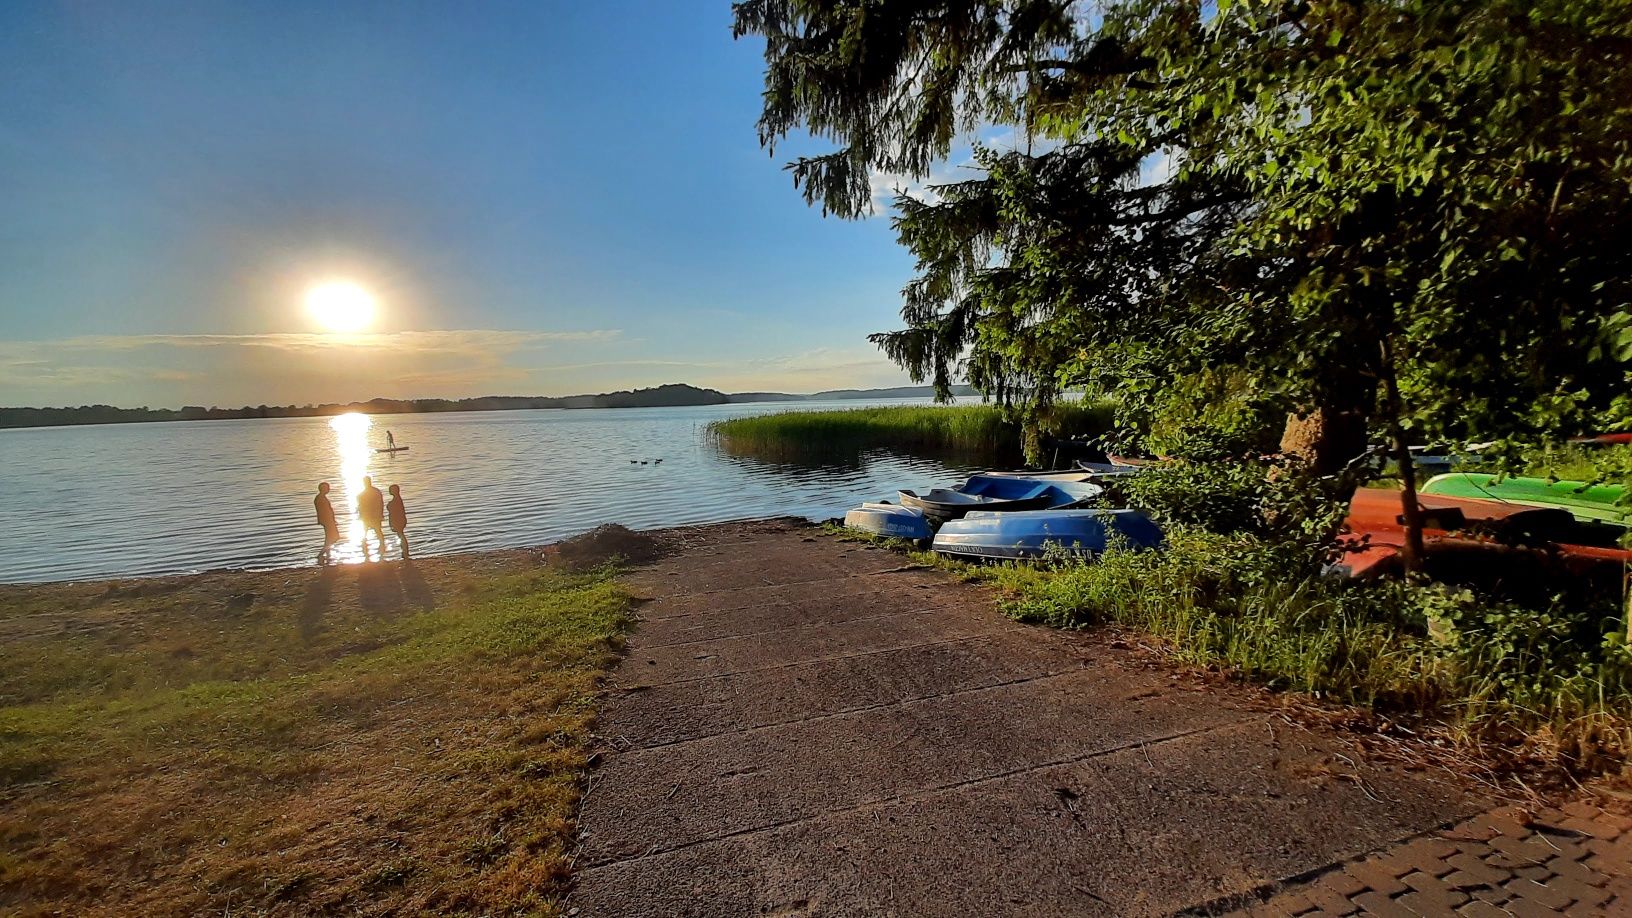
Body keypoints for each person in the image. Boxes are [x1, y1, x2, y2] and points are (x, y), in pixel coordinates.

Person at [356, 475, 387, 560]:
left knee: (375, 531)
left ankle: (368, 550)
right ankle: (373, 548)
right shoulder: (371, 492)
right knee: (370, 531)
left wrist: (380, 514)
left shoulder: (366, 493)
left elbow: (380, 504)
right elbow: (361, 506)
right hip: (369, 516)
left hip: (372, 516)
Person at [314, 482, 340, 565]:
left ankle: (327, 554)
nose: (329, 489)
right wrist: (331, 520)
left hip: (327, 520)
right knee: (335, 536)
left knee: (329, 537)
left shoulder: (321, 498)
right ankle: (321, 553)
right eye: (327, 488)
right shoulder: (320, 498)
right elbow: (324, 511)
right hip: (327, 520)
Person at [387, 483, 410, 559]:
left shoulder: (396, 500)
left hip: (398, 520)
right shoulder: (398, 499)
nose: (389, 491)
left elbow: (394, 510)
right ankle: (404, 551)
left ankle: (405, 551)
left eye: (391, 490)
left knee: (401, 535)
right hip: (400, 519)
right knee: (400, 535)